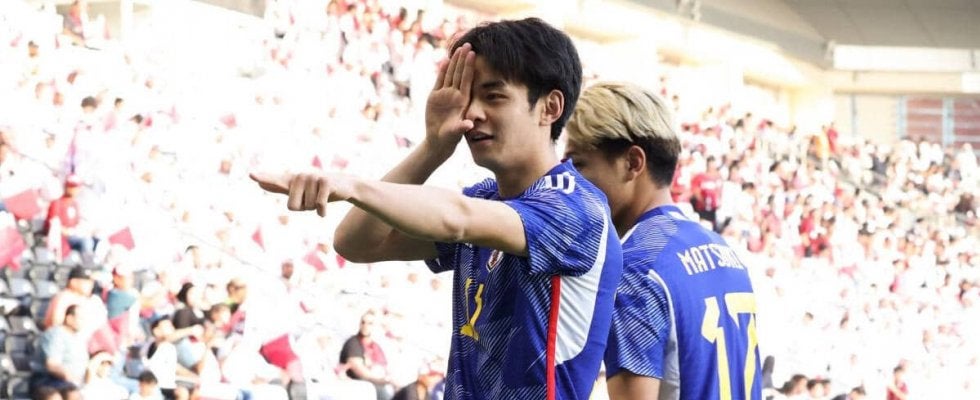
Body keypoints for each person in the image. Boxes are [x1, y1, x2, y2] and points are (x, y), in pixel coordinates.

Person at [252, 17, 622, 399]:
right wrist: (432, 148)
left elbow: (456, 219)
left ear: (550, 107)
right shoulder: (486, 200)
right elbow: (357, 243)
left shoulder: (576, 208)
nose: (472, 113)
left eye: (494, 96)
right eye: (468, 97)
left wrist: (352, 186)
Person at [562, 82, 761, 399]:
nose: (568, 180)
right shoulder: (723, 250)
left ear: (633, 162)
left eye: (578, 164)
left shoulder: (635, 266)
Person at [31, 305, 89, 393]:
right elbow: (52, 365)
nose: (83, 322)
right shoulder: (55, 335)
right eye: (81, 318)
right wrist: (72, 380)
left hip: (75, 383)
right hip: (48, 380)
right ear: (69, 318)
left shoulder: (79, 338)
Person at [339, 310, 394, 400]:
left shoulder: (375, 346)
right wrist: (382, 380)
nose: (365, 326)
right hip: (357, 388)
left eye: (370, 323)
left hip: (375, 384)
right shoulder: (353, 343)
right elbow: (361, 372)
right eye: (363, 322)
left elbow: (385, 368)